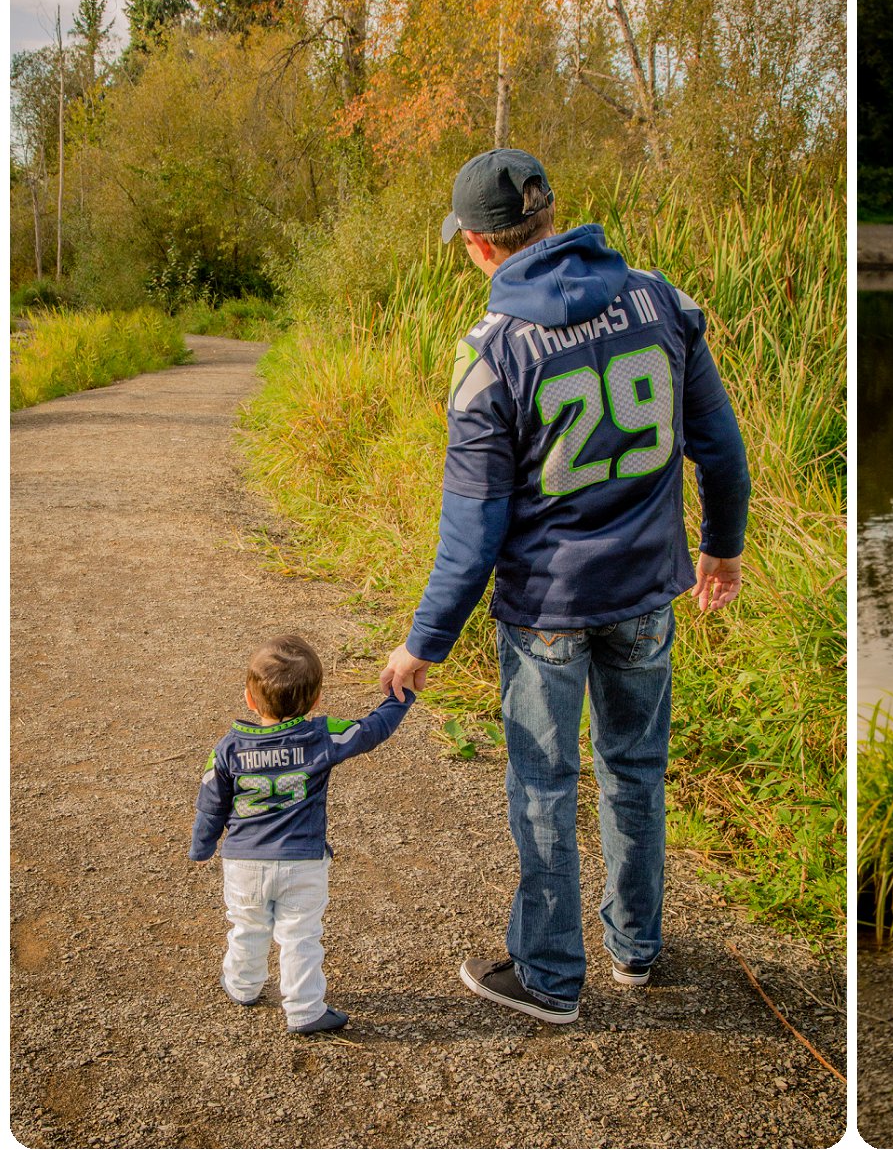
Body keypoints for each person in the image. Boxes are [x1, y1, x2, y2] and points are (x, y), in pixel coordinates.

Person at [378, 147, 752, 1025]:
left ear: (476, 245)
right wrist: (722, 550)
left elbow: (471, 538)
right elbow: (721, 448)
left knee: (543, 786)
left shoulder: (492, 355)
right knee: (635, 770)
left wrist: (423, 643)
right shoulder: (662, 300)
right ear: (548, 218)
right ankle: (635, 948)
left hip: (548, 611)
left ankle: (548, 978)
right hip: (647, 598)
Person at [190, 634, 413, 1035]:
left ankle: (242, 986)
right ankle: (306, 1009)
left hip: (244, 862)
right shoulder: (320, 736)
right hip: (303, 862)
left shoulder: (228, 748)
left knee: (247, 926)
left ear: (249, 699)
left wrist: (203, 844)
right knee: (301, 936)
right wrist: (401, 696)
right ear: (315, 701)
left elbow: (211, 800)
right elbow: (372, 730)